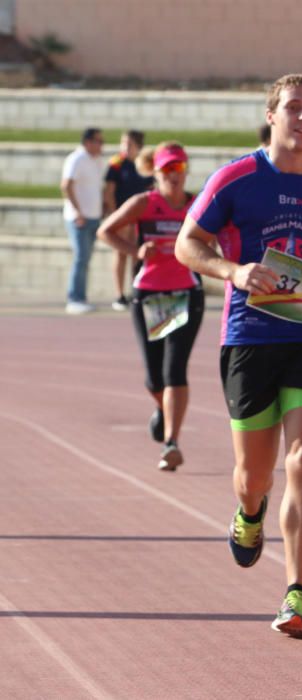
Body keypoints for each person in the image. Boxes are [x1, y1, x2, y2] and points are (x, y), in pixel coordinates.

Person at [175, 73, 302, 639]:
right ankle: (250, 511)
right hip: (250, 336)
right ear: (272, 114)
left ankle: (297, 593)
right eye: (294, 108)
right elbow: (188, 243)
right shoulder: (237, 178)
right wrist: (234, 272)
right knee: (254, 475)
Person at [97, 142, 204, 472]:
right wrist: (136, 250)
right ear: (156, 173)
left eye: (180, 169)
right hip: (149, 295)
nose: (175, 176)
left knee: (175, 371)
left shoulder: (197, 205)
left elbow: (220, 235)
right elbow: (105, 231)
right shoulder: (144, 202)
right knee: (153, 379)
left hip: (186, 293)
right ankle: (163, 409)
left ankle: (171, 442)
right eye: (168, 170)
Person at [104, 130, 155, 311]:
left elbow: (152, 188)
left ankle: (136, 290)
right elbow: (109, 191)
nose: (125, 147)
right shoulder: (117, 164)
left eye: (129, 144)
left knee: (138, 254)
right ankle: (120, 295)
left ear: (138, 146)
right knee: (121, 253)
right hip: (122, 216)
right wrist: (115, 215)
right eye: (123, 143)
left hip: (140, 217)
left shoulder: (146, 163)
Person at [61, 127, 105, 314]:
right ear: (88, 142)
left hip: (93, 216)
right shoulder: (76, 158)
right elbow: (66, 185)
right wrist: (78, 211)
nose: (101, 145)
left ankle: (81, 297)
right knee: (80, 258)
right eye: (98, 141)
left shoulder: (96, 160)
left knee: (85, 259)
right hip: (79, 218)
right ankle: (75, 298)